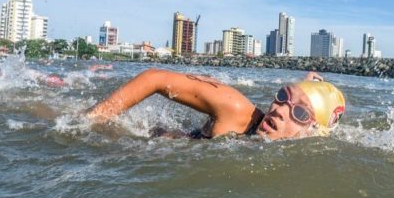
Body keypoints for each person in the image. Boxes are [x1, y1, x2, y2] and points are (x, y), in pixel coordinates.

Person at [86, 69, 346, 140]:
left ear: (313, 131)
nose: (278, 110)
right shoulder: (237, 113)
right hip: (138, 146)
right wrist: (93, 119)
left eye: (299, 112)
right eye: (282, 96)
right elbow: (154, 78)